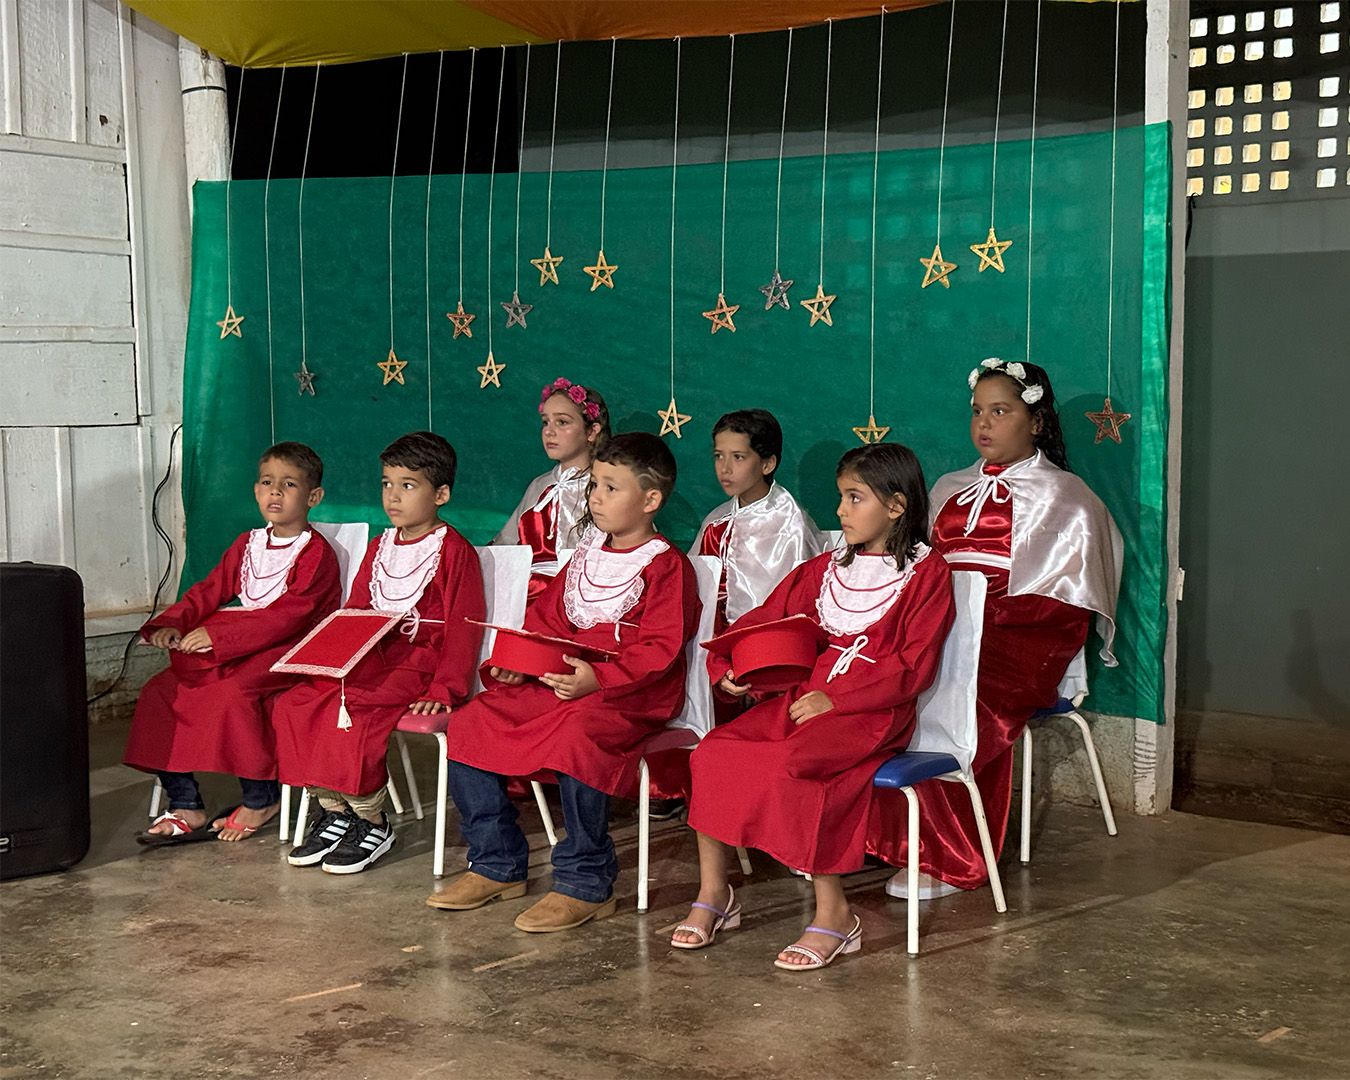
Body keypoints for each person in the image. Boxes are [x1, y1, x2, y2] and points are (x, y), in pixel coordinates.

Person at [674, 443, 955, 971]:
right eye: (841, 497)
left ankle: (835, 915)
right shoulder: (823, 570)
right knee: (713, 752)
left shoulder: (926, 574)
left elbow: (913, 665)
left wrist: (839, 698)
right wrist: (732, 666)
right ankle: (715, 893)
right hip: (803, 702)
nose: (841, 510)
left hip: (871, 712)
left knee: (799, 764)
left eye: (855, 498)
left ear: (896, 506)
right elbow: (766, 621)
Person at [867, 358, 1122, 898]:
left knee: (959, 688)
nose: (984, 423)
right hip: (948, 626)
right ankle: (872, 835)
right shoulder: (949, 488)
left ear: (1036, 422)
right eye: (977, 411)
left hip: (1022, 641)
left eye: (1000, 411)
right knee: (873, 672)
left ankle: (945, 853)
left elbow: (1066, 605)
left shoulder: (1068, 498)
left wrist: (975, 623)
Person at [427, 433, 701, 932]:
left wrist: (600, 678)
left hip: (628, 694)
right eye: (595, 485)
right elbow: (546, 623)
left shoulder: (667, 566)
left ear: (650, 500)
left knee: (578, 735)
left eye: (612, 488)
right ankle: (495, 862)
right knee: (472, 722)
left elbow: (659, 650)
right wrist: (519, 663)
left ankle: (586, 881)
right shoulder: (585, 556)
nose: (596, 497)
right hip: (561, 682)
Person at [273, 431, 485, 874]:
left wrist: (445, 688)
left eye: (408, 485)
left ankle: (371, 819)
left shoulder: (454, 551)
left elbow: (464, 628)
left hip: (419, 662)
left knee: (357, 707)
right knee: (296, 702)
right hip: (372, 656)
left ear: (441, 494)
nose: (393, 496)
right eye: (387, 483)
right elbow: (354, 612)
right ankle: (334, 809)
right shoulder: (380, 546)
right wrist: (331, 659)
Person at [125, 442, 340, 843]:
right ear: (256, 490)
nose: (275, 492)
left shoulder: (315, 553)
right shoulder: (247, 543)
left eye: (289, 484)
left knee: (232, 694)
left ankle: (261, 798)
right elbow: (209, 591)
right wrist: (172, 624)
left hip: (292, 647)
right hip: (246, 643)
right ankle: (185, 803)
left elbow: (291, 614)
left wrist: (218, 636)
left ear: (313, 497)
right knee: (160, 692)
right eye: (267, 482)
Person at [691, 409, 824, 634]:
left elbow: (796, 605)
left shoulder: (791, 524)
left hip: (768, 640)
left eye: (738, 457)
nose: (725, 468)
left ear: (767, 464)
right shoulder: (716, 521)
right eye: (719, 456)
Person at [495, 377, 610, 600]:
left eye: (562, 422)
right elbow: (506, 545)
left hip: (583, 596)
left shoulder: (604, 487)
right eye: (545, 422)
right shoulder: (540, 486)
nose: (549, 431)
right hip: (529, 596)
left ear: (592, 431)